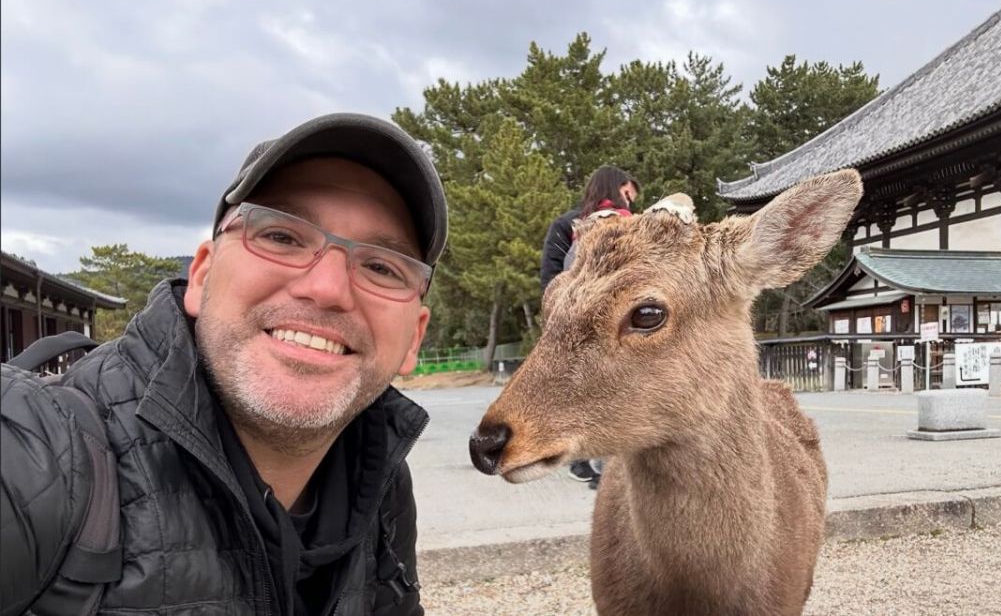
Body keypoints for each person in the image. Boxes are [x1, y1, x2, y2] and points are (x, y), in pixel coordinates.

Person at [1, 113, 446, 614]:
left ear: (415, 336)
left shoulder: (378, 478)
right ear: (201, 275)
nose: (326, 289)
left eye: (382, 267)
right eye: (282, 236)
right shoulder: (42, 451)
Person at [539, 166, 639, 489]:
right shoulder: (569, 226)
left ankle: (605, 465)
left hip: (598, 326)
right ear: (614, 187)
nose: (632, 201)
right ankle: (593, 461)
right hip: (597, 327)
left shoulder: (632, 225)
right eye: (628, 193)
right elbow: (551, 278)